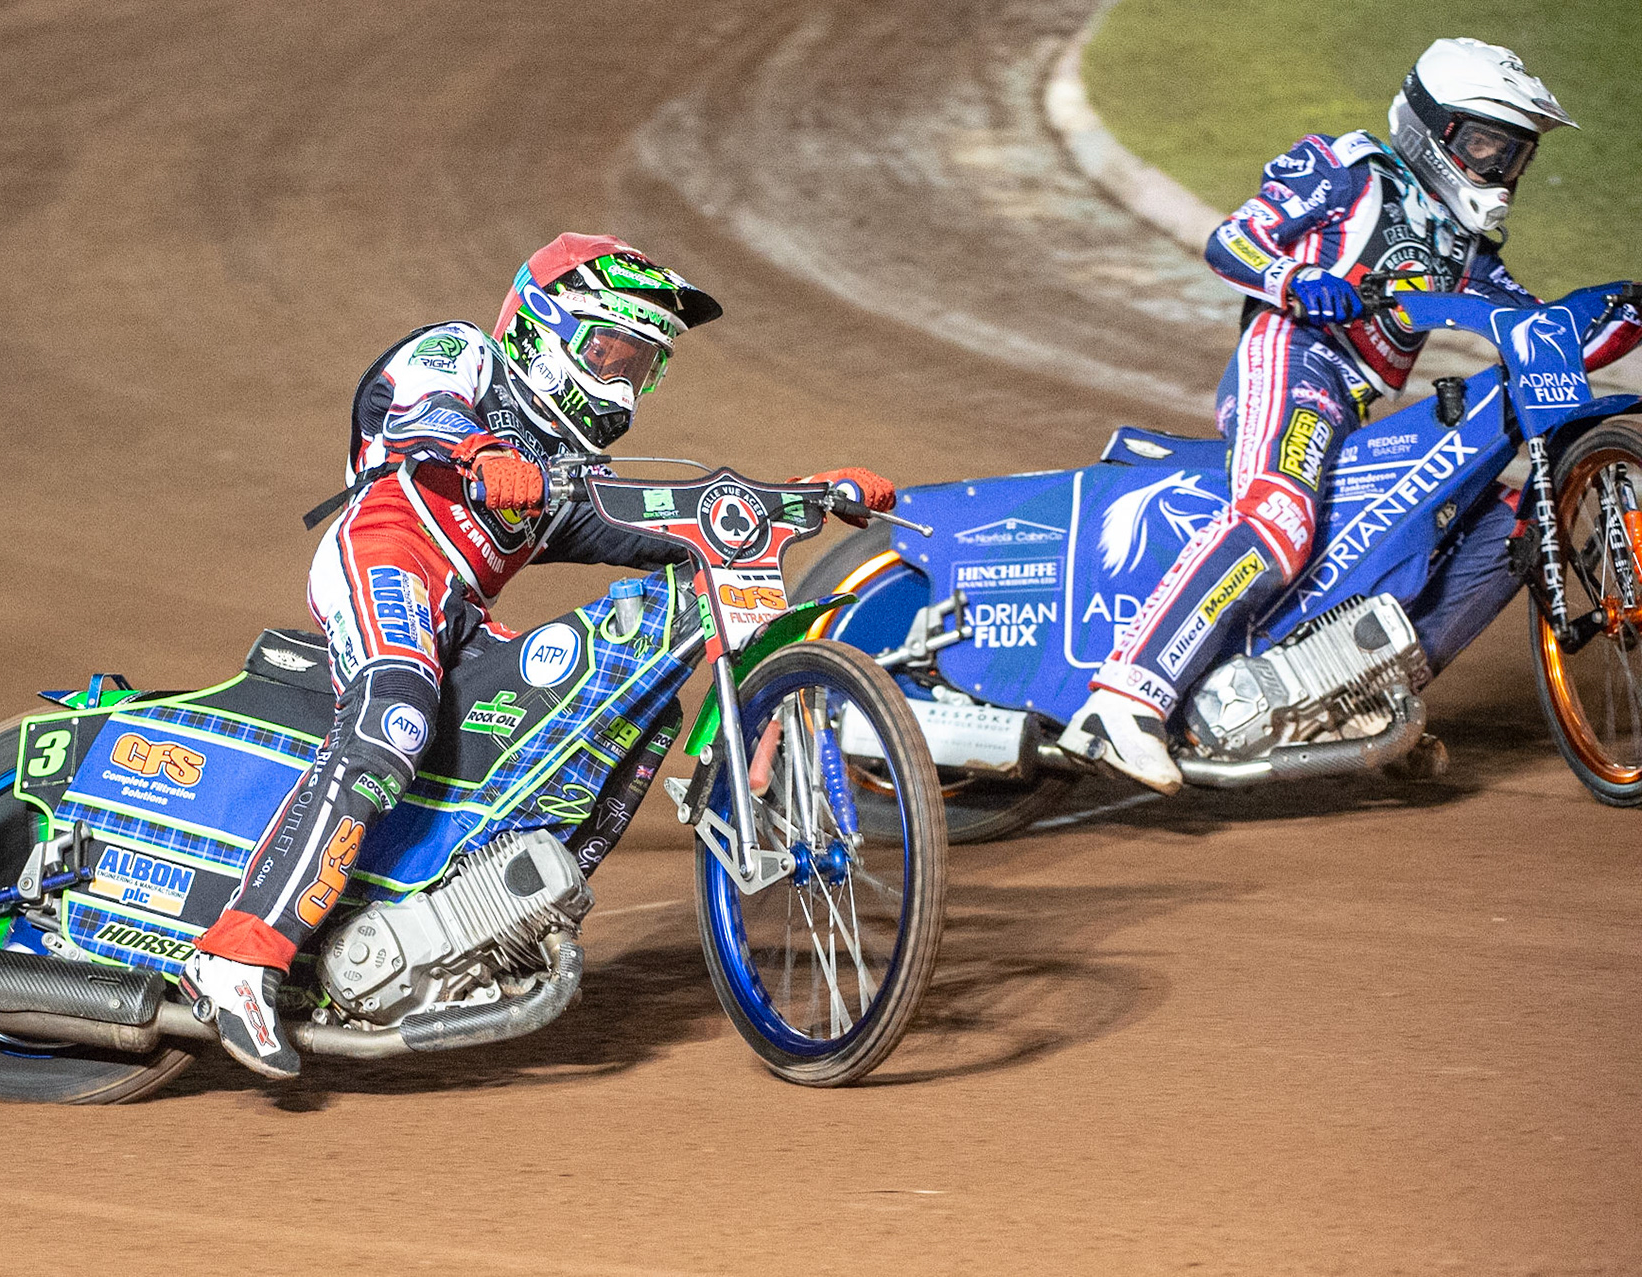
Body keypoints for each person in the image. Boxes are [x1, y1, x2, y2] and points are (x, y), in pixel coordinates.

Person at [180, 233, 895, 1077]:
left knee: (626, 711)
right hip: (387, 553)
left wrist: (793, 501)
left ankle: (497, 925)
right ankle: (237, 953)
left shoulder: (565, 471)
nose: (625, 382)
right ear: (542, 329)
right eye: (611, 352)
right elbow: (408, 403)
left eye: (642, 366)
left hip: (463, 611)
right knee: (396, 714)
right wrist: (480, 449)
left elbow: (657, 526)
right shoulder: (468, 354)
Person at [1058, 37, 1642, 793]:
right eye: (1488, 145)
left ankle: (1357, 699)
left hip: (1356, 400)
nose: (1502, 171)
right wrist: (1297, 278)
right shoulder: (1348, 169)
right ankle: (1126, 694)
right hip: (1293, 356)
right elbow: (1231, 239)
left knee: (1508, 523)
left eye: (1515, 154)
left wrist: (1623, 307)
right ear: (1434, 130)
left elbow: (1542, 333)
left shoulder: (1466, 250)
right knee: (1280, 513)